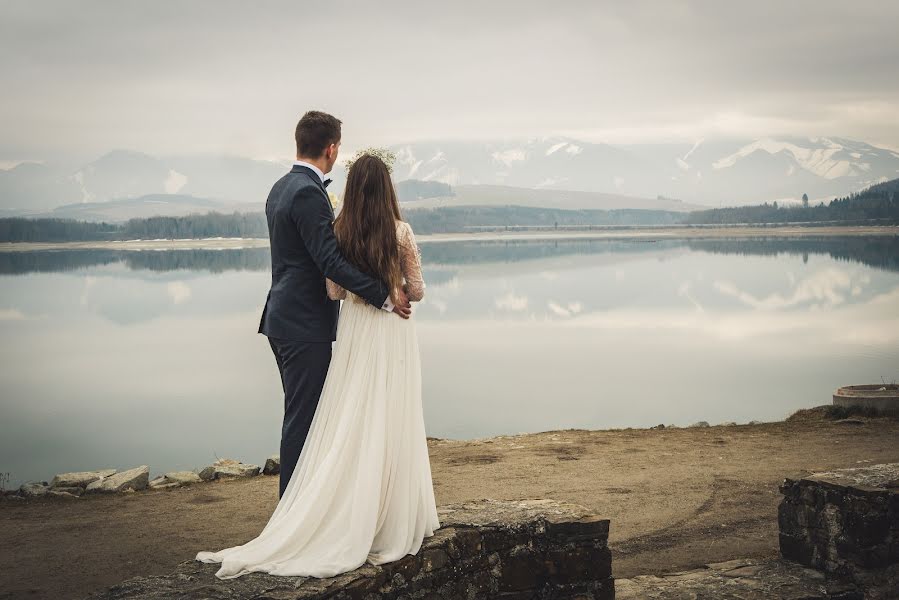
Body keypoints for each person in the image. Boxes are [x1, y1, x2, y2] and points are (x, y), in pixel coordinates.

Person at [195, 146, 439, 579]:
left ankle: (311, 511)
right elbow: (409, 289)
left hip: (326, 328)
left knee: (338, 418)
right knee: (363, 417)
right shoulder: (394, 229)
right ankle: (308, 517)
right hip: (346, 329)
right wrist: (389, 292)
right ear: (331, 148)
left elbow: (332, 286)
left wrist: (367, 291)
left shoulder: (298, 199)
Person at [254, 110, 411, 499]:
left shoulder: (280, 187)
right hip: (303, 323)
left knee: (304, 413)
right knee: (304, 419)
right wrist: (383, 294)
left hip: (283, 318)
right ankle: (292, 511)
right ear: (332, 148)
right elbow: (330, 262)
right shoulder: (309, 192)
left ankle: (302, 503)